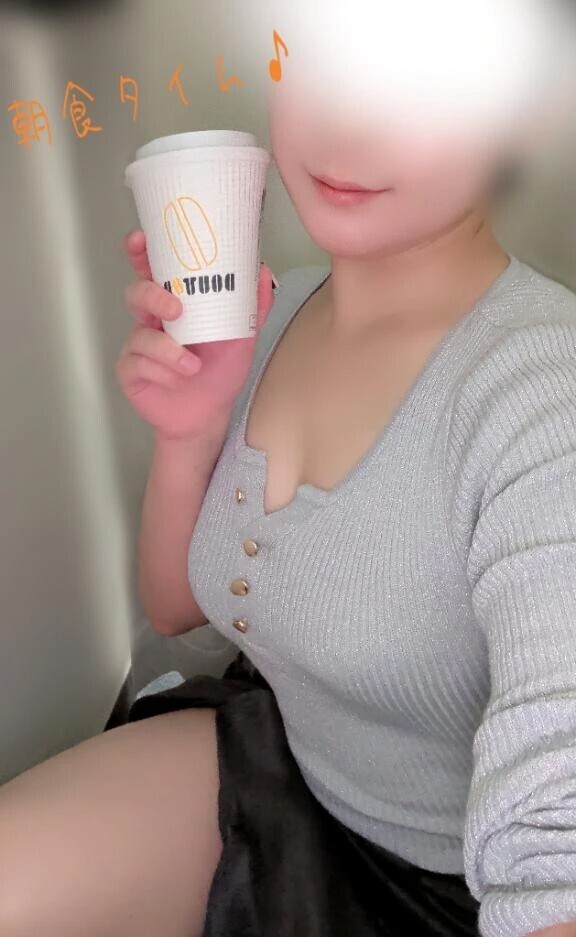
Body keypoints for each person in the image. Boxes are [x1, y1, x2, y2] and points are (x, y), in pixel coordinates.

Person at [2, 34, 576, 937]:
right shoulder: (277, 313)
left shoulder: (545, 393)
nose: (348, 127)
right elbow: (178, 607)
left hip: (454, 893)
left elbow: (558, 829)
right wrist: (190, 432)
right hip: (289, 771)